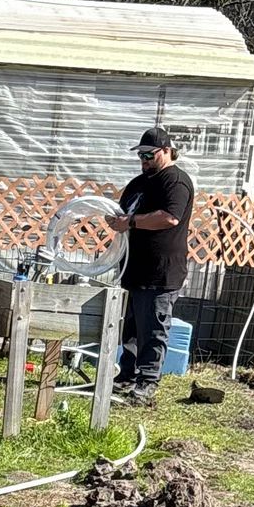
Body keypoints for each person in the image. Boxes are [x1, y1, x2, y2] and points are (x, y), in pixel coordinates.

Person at [107, 130, 193, 403]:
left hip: (161, 270)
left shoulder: (176, 182)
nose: (143, 160)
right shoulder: (138, 183)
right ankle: (127, 376)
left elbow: (170, 218)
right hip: (135, 267)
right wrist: (118, 222)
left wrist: (131, 222)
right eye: (140, 155)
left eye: (148, 154)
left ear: (166, 150)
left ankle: (147, 383)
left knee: (153, 329)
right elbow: (124, 213)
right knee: (131, 328)